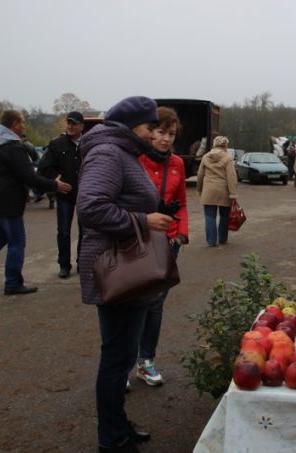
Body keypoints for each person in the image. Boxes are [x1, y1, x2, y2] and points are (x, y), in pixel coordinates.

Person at [76, 96, 172, 452]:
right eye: (150, 128)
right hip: (117, 269)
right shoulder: (108, 153)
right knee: (116, 358)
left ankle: (118, 426)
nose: (153, 135)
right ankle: (112, 440)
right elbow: (91, 207)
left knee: (121, 356)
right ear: (132, 126)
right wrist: (143, 221)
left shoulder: (122, 152)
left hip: (127, 266)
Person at [0, 110, 71, 295]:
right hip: (8, 202)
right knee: (17, 241)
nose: (24, 126)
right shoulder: (13, 148)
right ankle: (12, 283)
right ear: (15, 124)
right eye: (23, 122)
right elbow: (29, 176)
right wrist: (54, 184)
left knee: (1, 236)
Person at [134, 107, 189, 387]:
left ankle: (146, 361)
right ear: (148, 131)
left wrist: (181, 235)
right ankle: (122, 364)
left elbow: (182, 201)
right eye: (160, 132)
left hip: (168, 243)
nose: (165, 139)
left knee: (155, 305)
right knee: (130, 302)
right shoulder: (133, 159)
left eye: (171, 134)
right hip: (137, 240)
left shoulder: (178, 163)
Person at [38, 111, 85, 278]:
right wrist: (55, 181)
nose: (70, 126)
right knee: (63, 231)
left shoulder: (88, 144)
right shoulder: (57, 144)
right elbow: (44, 167)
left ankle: (82, 262)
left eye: (74, 123)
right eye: (69, 123)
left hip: (84, 195)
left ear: (81, 126)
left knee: (85, 230)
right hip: (64, 194)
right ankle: (64, 265)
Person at [196, 135, 237, 247]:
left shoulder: (205, 157)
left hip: (208, 191)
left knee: (210, 216)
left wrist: (199, 190)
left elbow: (200, 175)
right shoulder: (228, 158)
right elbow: (231, 177)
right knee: (224, 216)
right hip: (224, 191)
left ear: (214, 144)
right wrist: (233, 193)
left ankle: (211, 241)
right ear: (225, 146)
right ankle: (222, 239)